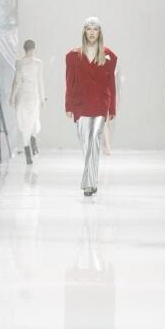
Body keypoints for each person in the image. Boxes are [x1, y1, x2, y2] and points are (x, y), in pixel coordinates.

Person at [65, 17, 117, 197]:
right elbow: (69, 82)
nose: (92, 32)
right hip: (81, 104)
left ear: (100, 32)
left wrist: (112, 108)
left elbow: (111, 84)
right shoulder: (72, 56)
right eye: (89, 28)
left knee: (94, 139)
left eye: (95, 29)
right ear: (84, 31)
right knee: (86, 144)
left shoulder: (109, 55)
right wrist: (68, 105)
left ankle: (88, 184)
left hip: (100, 104)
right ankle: (93, 181)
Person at [10, 39, 45, 165]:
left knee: (24, 122)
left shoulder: (19, 62)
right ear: (33, 49)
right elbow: (40, 81)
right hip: (33, 95)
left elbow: (17, 81)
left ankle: (28, 153)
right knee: (33, 120)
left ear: (24, 49)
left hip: (22, 95)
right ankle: (33, 141)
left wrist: (12, 97)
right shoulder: (38, 63)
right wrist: (42, 97)